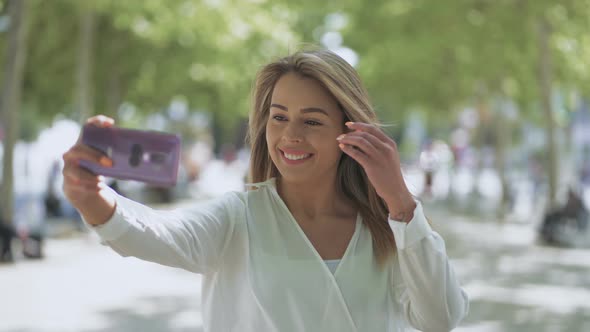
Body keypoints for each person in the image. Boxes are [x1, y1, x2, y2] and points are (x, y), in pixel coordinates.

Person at [62, 48, 468, 331]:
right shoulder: (238, 217)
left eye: (311, 121)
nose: (289, 136)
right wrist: (94, 198)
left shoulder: (389, 229)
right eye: (279, 117)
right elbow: (160, 234)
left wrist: (400, 201)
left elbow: (441, 318)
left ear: (351, 132)